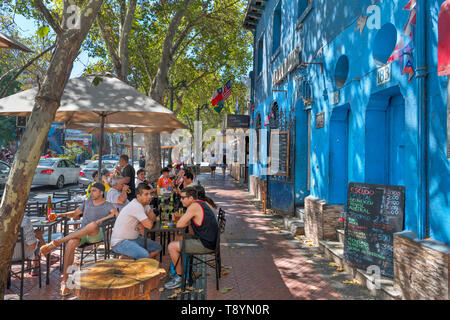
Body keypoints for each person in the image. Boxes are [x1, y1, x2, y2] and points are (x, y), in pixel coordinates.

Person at [39, 183, 119, 296]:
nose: (91, 193)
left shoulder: (107, 204)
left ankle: (58, 242)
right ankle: (65, 281)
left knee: (92, 225)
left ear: (101, 192)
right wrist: (59, 214)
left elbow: (116, 215)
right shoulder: (87, 202)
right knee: (71, 243)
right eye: (91, 191)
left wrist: (101, 220)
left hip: (96, 234)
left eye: (94, 190)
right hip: (82, 234)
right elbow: (75, 214)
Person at [165, 187, 219, 289]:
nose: (181, 200)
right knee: (179, 237)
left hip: (206, 244)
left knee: (172, 246)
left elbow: (180, 225)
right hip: (207, 239)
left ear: (190, 198)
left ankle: (181, 277)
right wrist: (187, 220)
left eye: (183, 198)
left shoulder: (193, 207)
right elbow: (192, 231)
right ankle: (179, 269)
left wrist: (181, 219)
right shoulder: (199, 203)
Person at [110, 183, 162, 260]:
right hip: (120, 242)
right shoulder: (136, 206)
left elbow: (153, 218)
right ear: (138, 196)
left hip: (134, 238)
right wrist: (145, 222)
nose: (150, 197)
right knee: (144, 255)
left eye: (150, 194)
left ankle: (139, 263)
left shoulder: (145, 204)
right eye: (146, 194)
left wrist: (145, 222)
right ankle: (137, 265)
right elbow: (149, 225)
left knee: (157, 247)